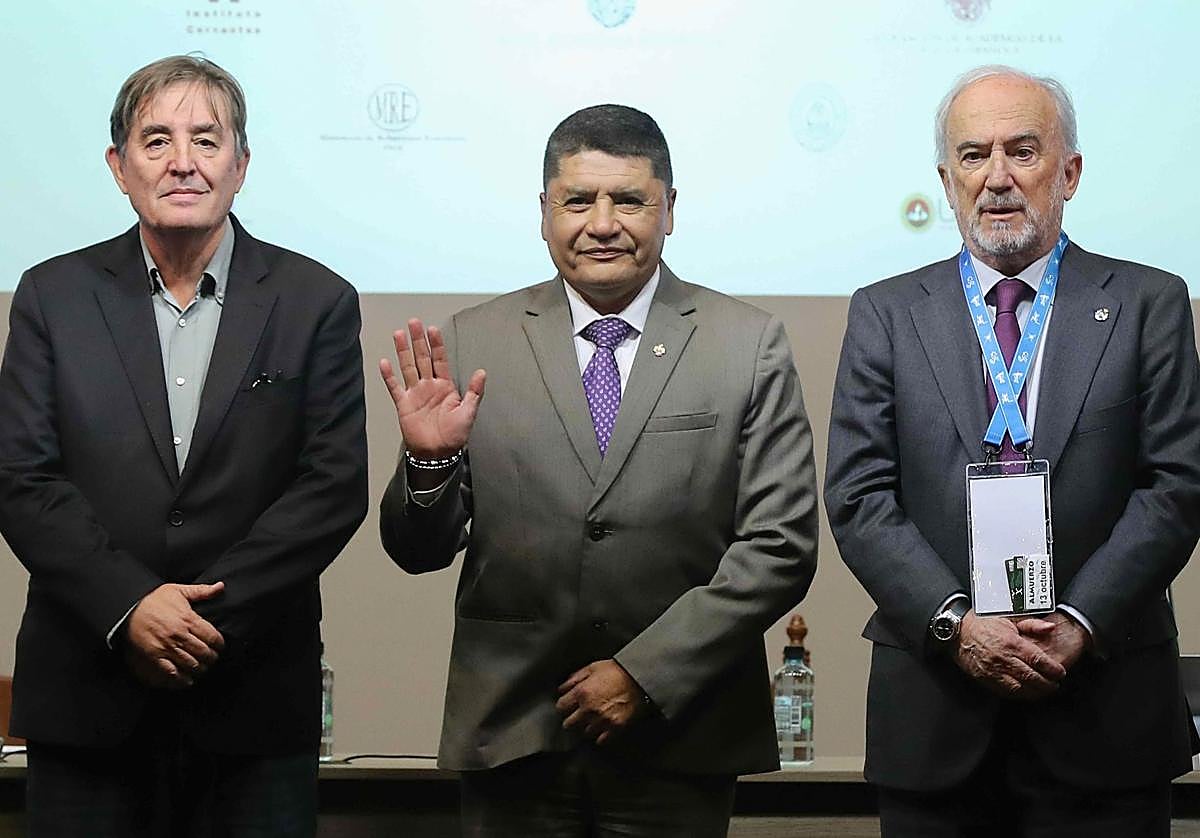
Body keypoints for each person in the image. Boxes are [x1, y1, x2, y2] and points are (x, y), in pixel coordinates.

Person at [379, 104, 817, 836]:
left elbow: (780, 546)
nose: (603, 223)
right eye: (578, 200)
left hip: (682, 734)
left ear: (669, 210)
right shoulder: (473, 338)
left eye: (630, 200)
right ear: (543, 213)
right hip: (515, 731)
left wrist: (644, 674)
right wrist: (429, 461)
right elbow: (416, 551)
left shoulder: (748, 344)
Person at [825, 64, 1200, 837]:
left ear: (1069, 172)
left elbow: (1176, 486)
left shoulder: (1148, 303)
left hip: (1106, 712)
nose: (996, 177)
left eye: (1022, 151)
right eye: (972, 155)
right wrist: (955, 627)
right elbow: (860, 497)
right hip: (935, 714)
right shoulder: (885, 314)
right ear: (945, 177)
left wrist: (1079, 622)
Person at [0, 55, 368, 837]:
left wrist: (199, 619)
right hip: (88, 696)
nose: (182, 162)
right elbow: (22, 477)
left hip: (253, 701)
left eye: (207, 139)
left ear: (240, 165)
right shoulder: (51, 295)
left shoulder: (316, 300)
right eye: (156, 139)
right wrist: (130, 605)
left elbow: (331, 485)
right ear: (118, 166)